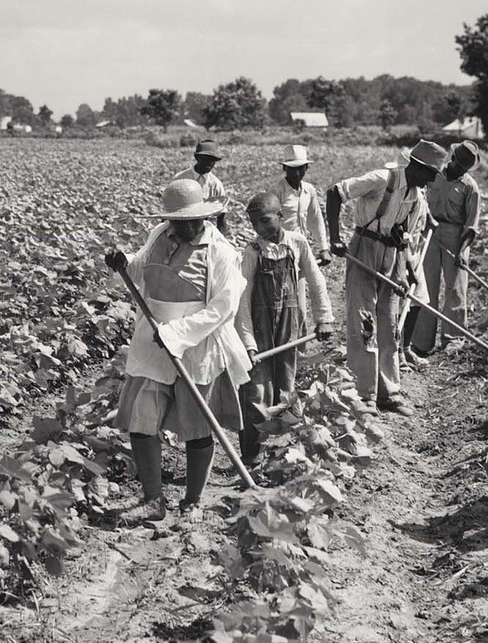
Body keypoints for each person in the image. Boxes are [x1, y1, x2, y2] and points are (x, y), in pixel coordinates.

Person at [105, 179, 251, 524]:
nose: (184, 228)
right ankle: (153, 500)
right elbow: (141, 269)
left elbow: (223, 308)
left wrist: (176, 334)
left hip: (196, 346)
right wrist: (123, 262)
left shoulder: (220, 251)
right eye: (178, 221)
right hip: (152, 343)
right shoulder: (159, 234)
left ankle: (193, 501)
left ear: (203, 217)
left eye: (191, 221)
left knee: (197, 427)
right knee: (141, 421)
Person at [326, 140, 447, 415]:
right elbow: (335, 192)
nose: (431, 181)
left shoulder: (416, 198)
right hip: (365, 249)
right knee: (364, 324)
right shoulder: (382, 179)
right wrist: (334, 237)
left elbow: (403, 240)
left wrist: (402, 274)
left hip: (392, 258)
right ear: (417, 167)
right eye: (431, 174)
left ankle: (388, 393)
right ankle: (364, 395)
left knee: (390, 327)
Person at [236, 192, 334, 461]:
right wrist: (248, 344)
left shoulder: (297, 243)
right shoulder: (252, 252)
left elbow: (315, 280)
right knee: (257, 391)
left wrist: (323, 318)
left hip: (288, 326)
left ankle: (283, 453)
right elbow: (242, 300)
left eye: (265, 220)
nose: (260, 228)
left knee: (286, 388)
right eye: (255, 223)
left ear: (280, 216)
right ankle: (252, 455)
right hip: (259, 329)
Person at [410, 141, 482, 357]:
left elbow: (471, 225)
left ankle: (453, 338)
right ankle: (421, 341)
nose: (462, 170)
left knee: (455, 289)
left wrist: (462, 251)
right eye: (460, 164)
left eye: (465, 167)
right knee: (425, 285)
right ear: (453, 159)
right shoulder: (434, 174)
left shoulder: (470, 187)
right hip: (429, 232)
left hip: (456, 237)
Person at [267, 146, 332, 266]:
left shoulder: (309, 190)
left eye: (300, 168)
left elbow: (315, 219)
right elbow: (269, 226)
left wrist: (323, 248)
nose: (297, 173)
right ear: (285, 168)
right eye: (292, 169)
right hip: (281, 250)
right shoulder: (276, 192)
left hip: (302, 246)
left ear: (306, 167)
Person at [174, 139, 230, 236]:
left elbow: (221, 217)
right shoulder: (180, 178)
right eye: (206, 158)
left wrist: (221, 239)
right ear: (197, 158)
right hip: (179, 228)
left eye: (213, 160)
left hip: (203, 231)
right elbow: (170, 208)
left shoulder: (216, 184)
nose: (209, 163)